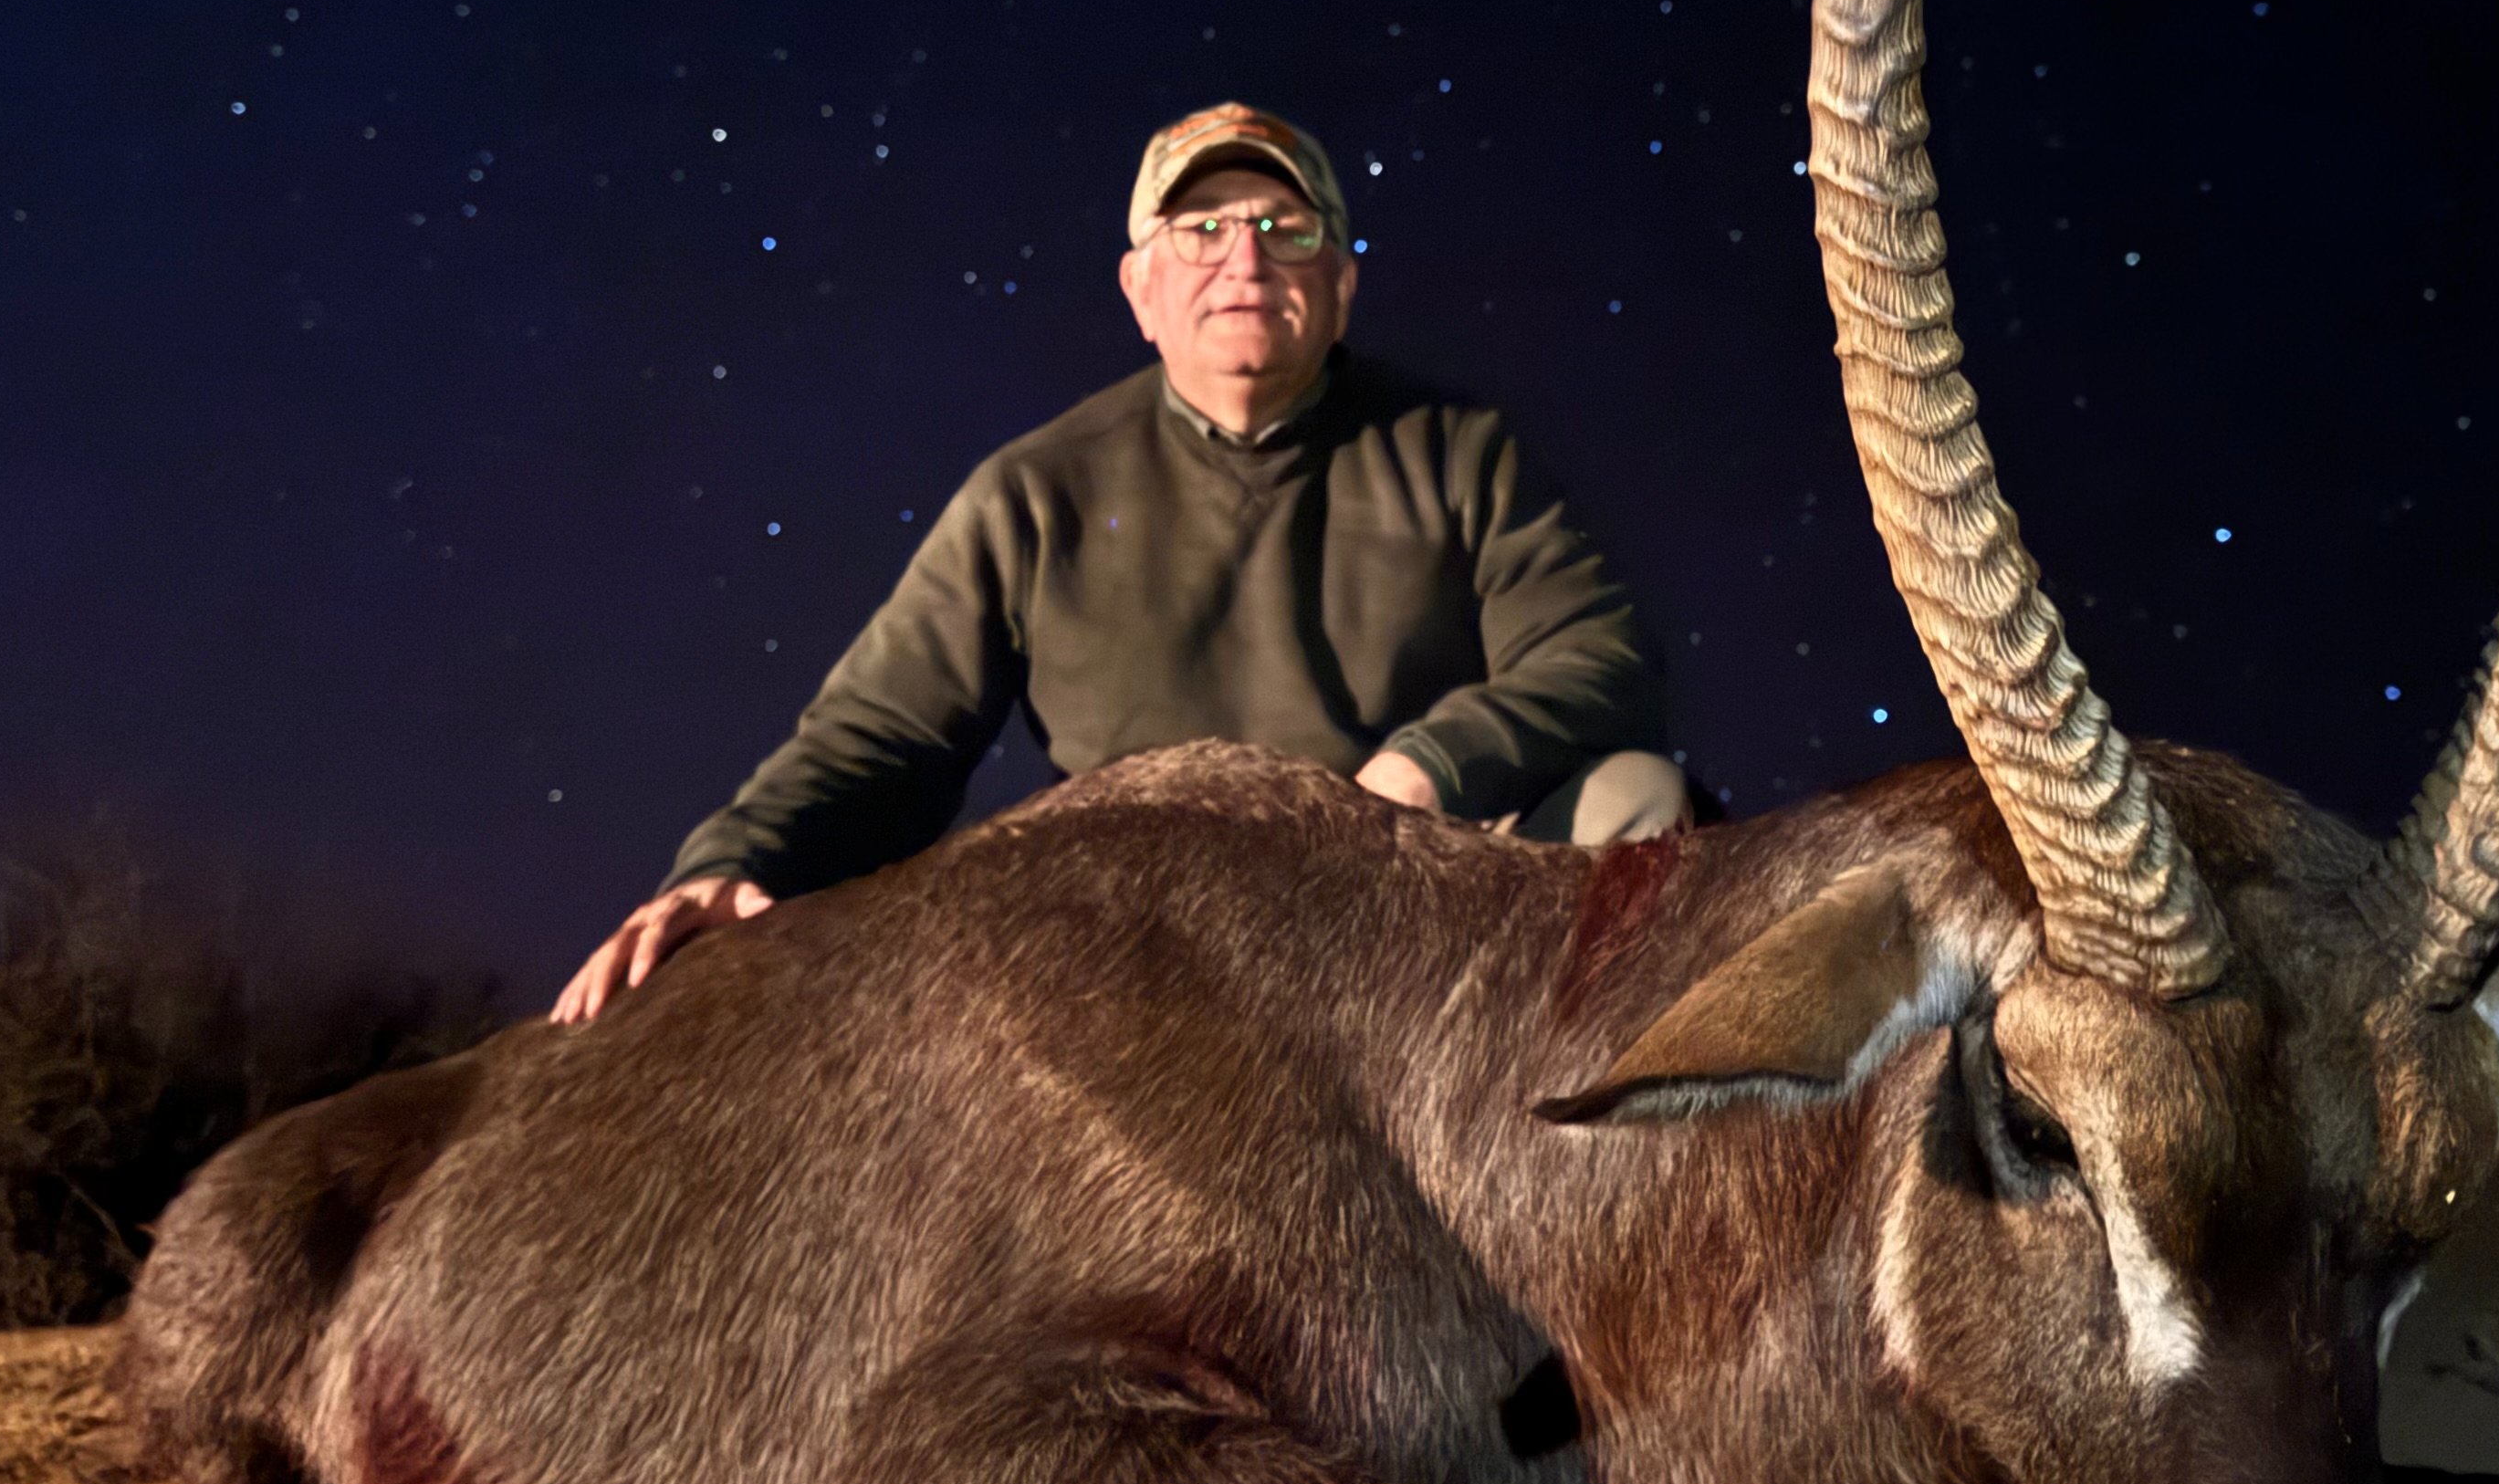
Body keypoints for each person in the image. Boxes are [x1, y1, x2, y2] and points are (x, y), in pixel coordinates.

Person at [552, 101, 1687, 1022]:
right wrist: (730, 861)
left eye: (1287, 229)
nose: (1244, 255)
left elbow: (1601, 660)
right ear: (1140, 290)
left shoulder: (1462, 450)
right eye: (1201, 229)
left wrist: (1414, 776)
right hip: (1140, 925)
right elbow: (878, 739)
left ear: (1341, 285)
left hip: (1411, 891)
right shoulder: (1033, 491)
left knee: (1636, 797)